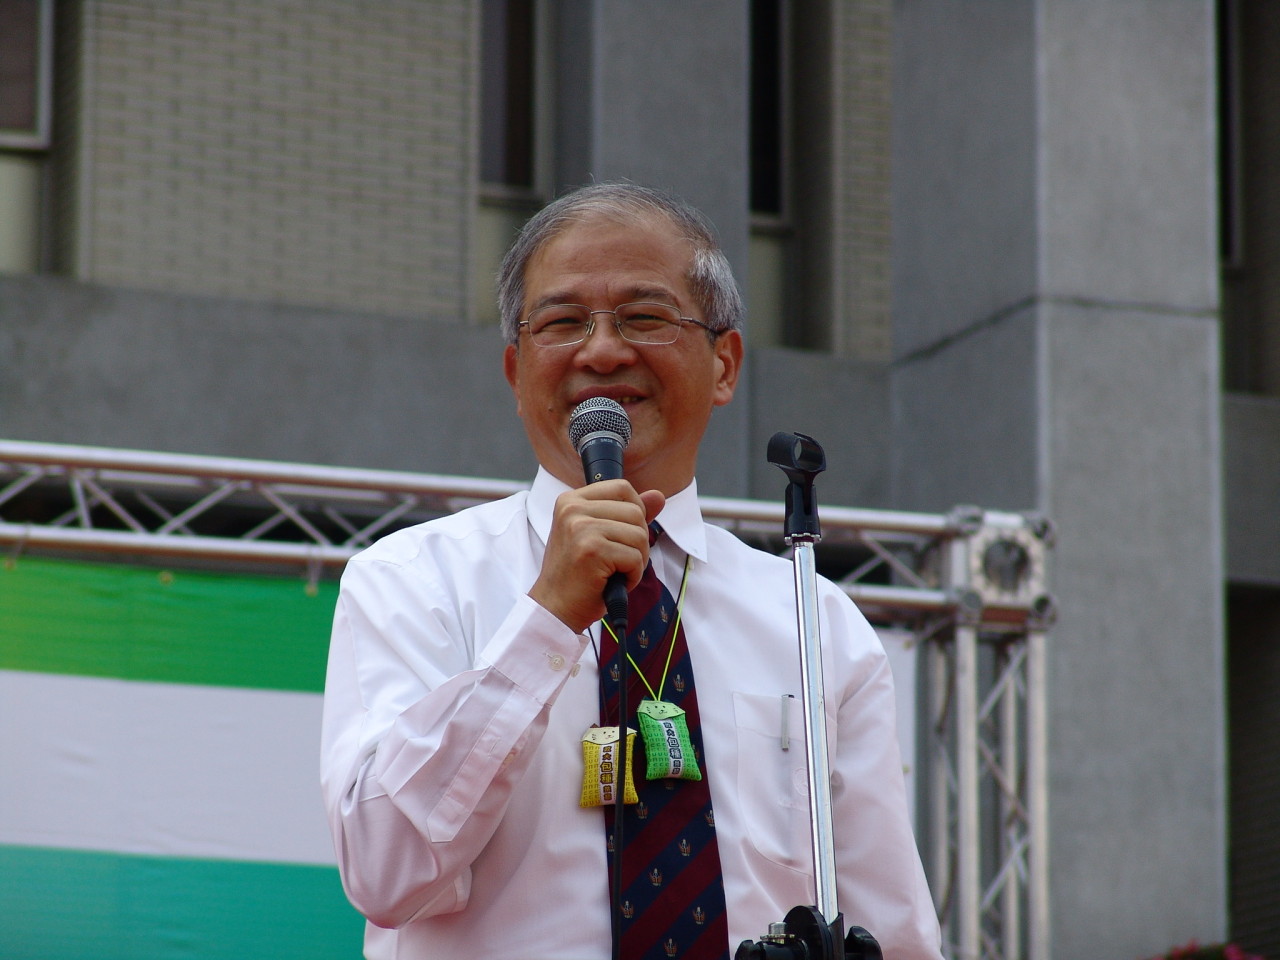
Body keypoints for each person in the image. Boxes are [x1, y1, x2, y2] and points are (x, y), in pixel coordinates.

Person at [320, 182, 943, 960]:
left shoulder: (813, 619)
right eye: (562, 323)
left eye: (645, 318)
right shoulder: (414, 580)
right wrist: (545, 621)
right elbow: (383, 870)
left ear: (725, 365)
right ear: (516, 373)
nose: (603, 351)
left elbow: (892, 931)